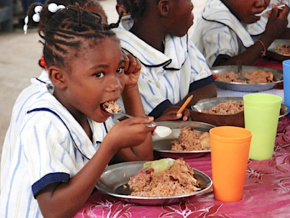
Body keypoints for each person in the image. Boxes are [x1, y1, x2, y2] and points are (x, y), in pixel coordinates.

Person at [0, 1, 156, 217]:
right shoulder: (42, 120)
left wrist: (131, 88)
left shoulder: (91, 108)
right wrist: (109, 147)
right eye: (99, 74)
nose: (115, 85)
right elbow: (53, 209)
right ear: (59, 77)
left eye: (118, 69)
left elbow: (141, 158)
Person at [113, 0, 246, 126]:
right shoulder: (124, 57)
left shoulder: (178, 37)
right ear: (164, 8)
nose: (192, 6)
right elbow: (157, 117)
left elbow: (208, 89)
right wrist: (229, 120)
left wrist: (177, 111)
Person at [193, 0, 289, 68]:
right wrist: (268, 37)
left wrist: (278, 25)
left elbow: (260, 33)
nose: (261, 3)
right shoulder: (216, 24)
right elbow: (224, 69)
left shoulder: (243, 11)